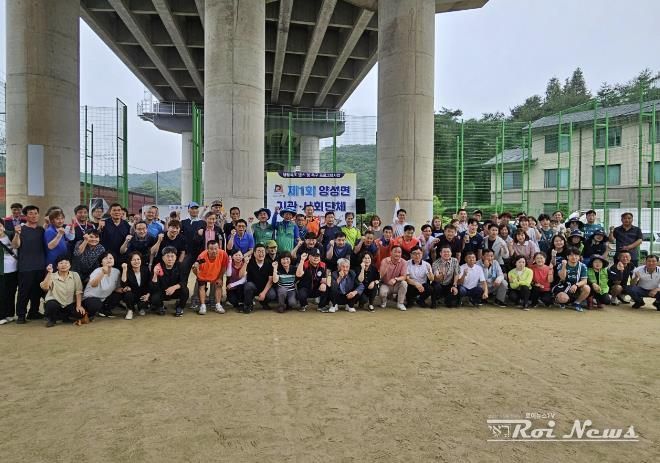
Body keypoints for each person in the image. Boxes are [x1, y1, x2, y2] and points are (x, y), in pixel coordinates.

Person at [12, 205, 46, 323]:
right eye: (31, 213)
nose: (34, 215)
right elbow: (15, 245)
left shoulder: (41, 230)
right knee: (24, 292)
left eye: (36, 213)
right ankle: (21, 315)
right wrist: (17, 234)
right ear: (25, 216)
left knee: (37, 291)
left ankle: (33, 312)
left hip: (40, 265)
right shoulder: (21, 229)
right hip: (26, 266)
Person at [41, 256, 85, 327]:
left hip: (69, 303)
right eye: (61, 263)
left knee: (80, 314)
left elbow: (78, 291)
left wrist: (79, 306)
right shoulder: (52, 275)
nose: (63, 265)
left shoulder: (75, 275)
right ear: (57, 266)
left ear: (70, 266)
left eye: (66, 263)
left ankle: (64, 317)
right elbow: (45, 288)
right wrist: (49, 273)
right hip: (56, 303)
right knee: (51, 305)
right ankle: (51, 320)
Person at [192, 240, 228, 315]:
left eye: (216, 248)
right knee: (201, 287)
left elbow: (224, 267)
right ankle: (203, 306)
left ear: (218, 248)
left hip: (216, 273)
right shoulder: (202, 257)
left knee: (219, 285)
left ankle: (218, 305)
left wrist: (219, 278)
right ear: (207, 249)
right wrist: (198, 275)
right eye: (211, 249)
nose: (214, 251)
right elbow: (195, 268)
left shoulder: (223, 254)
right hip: (204, 273)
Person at [82, 251, 123, 319]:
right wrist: (102, 273)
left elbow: (116, 288)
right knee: (95, 304)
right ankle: (90, 313)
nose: (109, 260)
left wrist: (124, 290)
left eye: (111, 258)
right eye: (106, 258)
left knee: (119, 295)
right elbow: (93, 284)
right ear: (101, 262)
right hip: (91, 297)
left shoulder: (117, 271)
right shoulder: (97, 271)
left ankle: (104, 310)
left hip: (104, 298)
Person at [151, 246, 189, 317]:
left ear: (176, 257)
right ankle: (160, 306)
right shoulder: (158, 267)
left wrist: (174, 287)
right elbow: (153, 287)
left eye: (172, 256)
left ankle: (180, 307)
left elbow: (184, 282)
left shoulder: (180, 266)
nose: (170, 259)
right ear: (163, 258)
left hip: (175, 291)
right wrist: (155, 275)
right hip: (163, 291)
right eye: (167, 256)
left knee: (185, 290)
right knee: (154, 297)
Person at [241, 244, 277, 313]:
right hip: (253, 287)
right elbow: (241, 275)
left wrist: (263, 293)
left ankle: (264, 302)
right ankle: (248, 305)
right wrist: (245, 263)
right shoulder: (249, 262)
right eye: (259, 251)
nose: (261, 254)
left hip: (264, 287)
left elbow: (270, 280)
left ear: (265, 253)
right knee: (248, 286)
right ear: (254, 253)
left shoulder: (269, 263)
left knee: (272, 294)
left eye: (263, 251)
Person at [553, 247, 590, 312]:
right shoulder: (561, 265)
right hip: (564, 285)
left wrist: (576, 285)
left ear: (579, 257)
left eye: (576, 255)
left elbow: (584, 281)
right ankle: (562, 302)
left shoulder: (583, 266)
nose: (574, 257)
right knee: (562, 298)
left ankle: (577, 303)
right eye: (571, 255)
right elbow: (562, 278)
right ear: (567, 257)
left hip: (576, 286)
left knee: (587, 288)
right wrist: (564, 266)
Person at [120, 251, 151, 319]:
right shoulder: (127, 270)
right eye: (133, 260)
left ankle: (141, 308)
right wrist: (124, 270)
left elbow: (149, 283)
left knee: (143, 303)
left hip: (142, 294)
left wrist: (148, 295)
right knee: (128, 295)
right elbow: (123, 284)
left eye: (138, 259)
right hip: (132, 293)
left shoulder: (145, 269)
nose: (136, 261)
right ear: (130, 261)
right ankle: (130, 310)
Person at [378, 245, 408, 311]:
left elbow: (404, 276)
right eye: (395, 252)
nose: (397, 254)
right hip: (386, 284)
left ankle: (400, 303)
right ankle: (383, 302)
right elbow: (380, 275)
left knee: (404, 283)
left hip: (397, 284)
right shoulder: (385, 261)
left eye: (399, 252)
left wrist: (396, 279)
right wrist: (386, 266)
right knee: (382, 293)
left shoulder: (404, 262)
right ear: (391, 252)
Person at [0, 221, 19, 325]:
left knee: (11, 292)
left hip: (14, 269)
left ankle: (10, 314)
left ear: (3, 226)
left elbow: (16, 246)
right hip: (2, 271)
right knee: (2, 293)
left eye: (0, 226)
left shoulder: (11, 234)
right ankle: (1, 316)